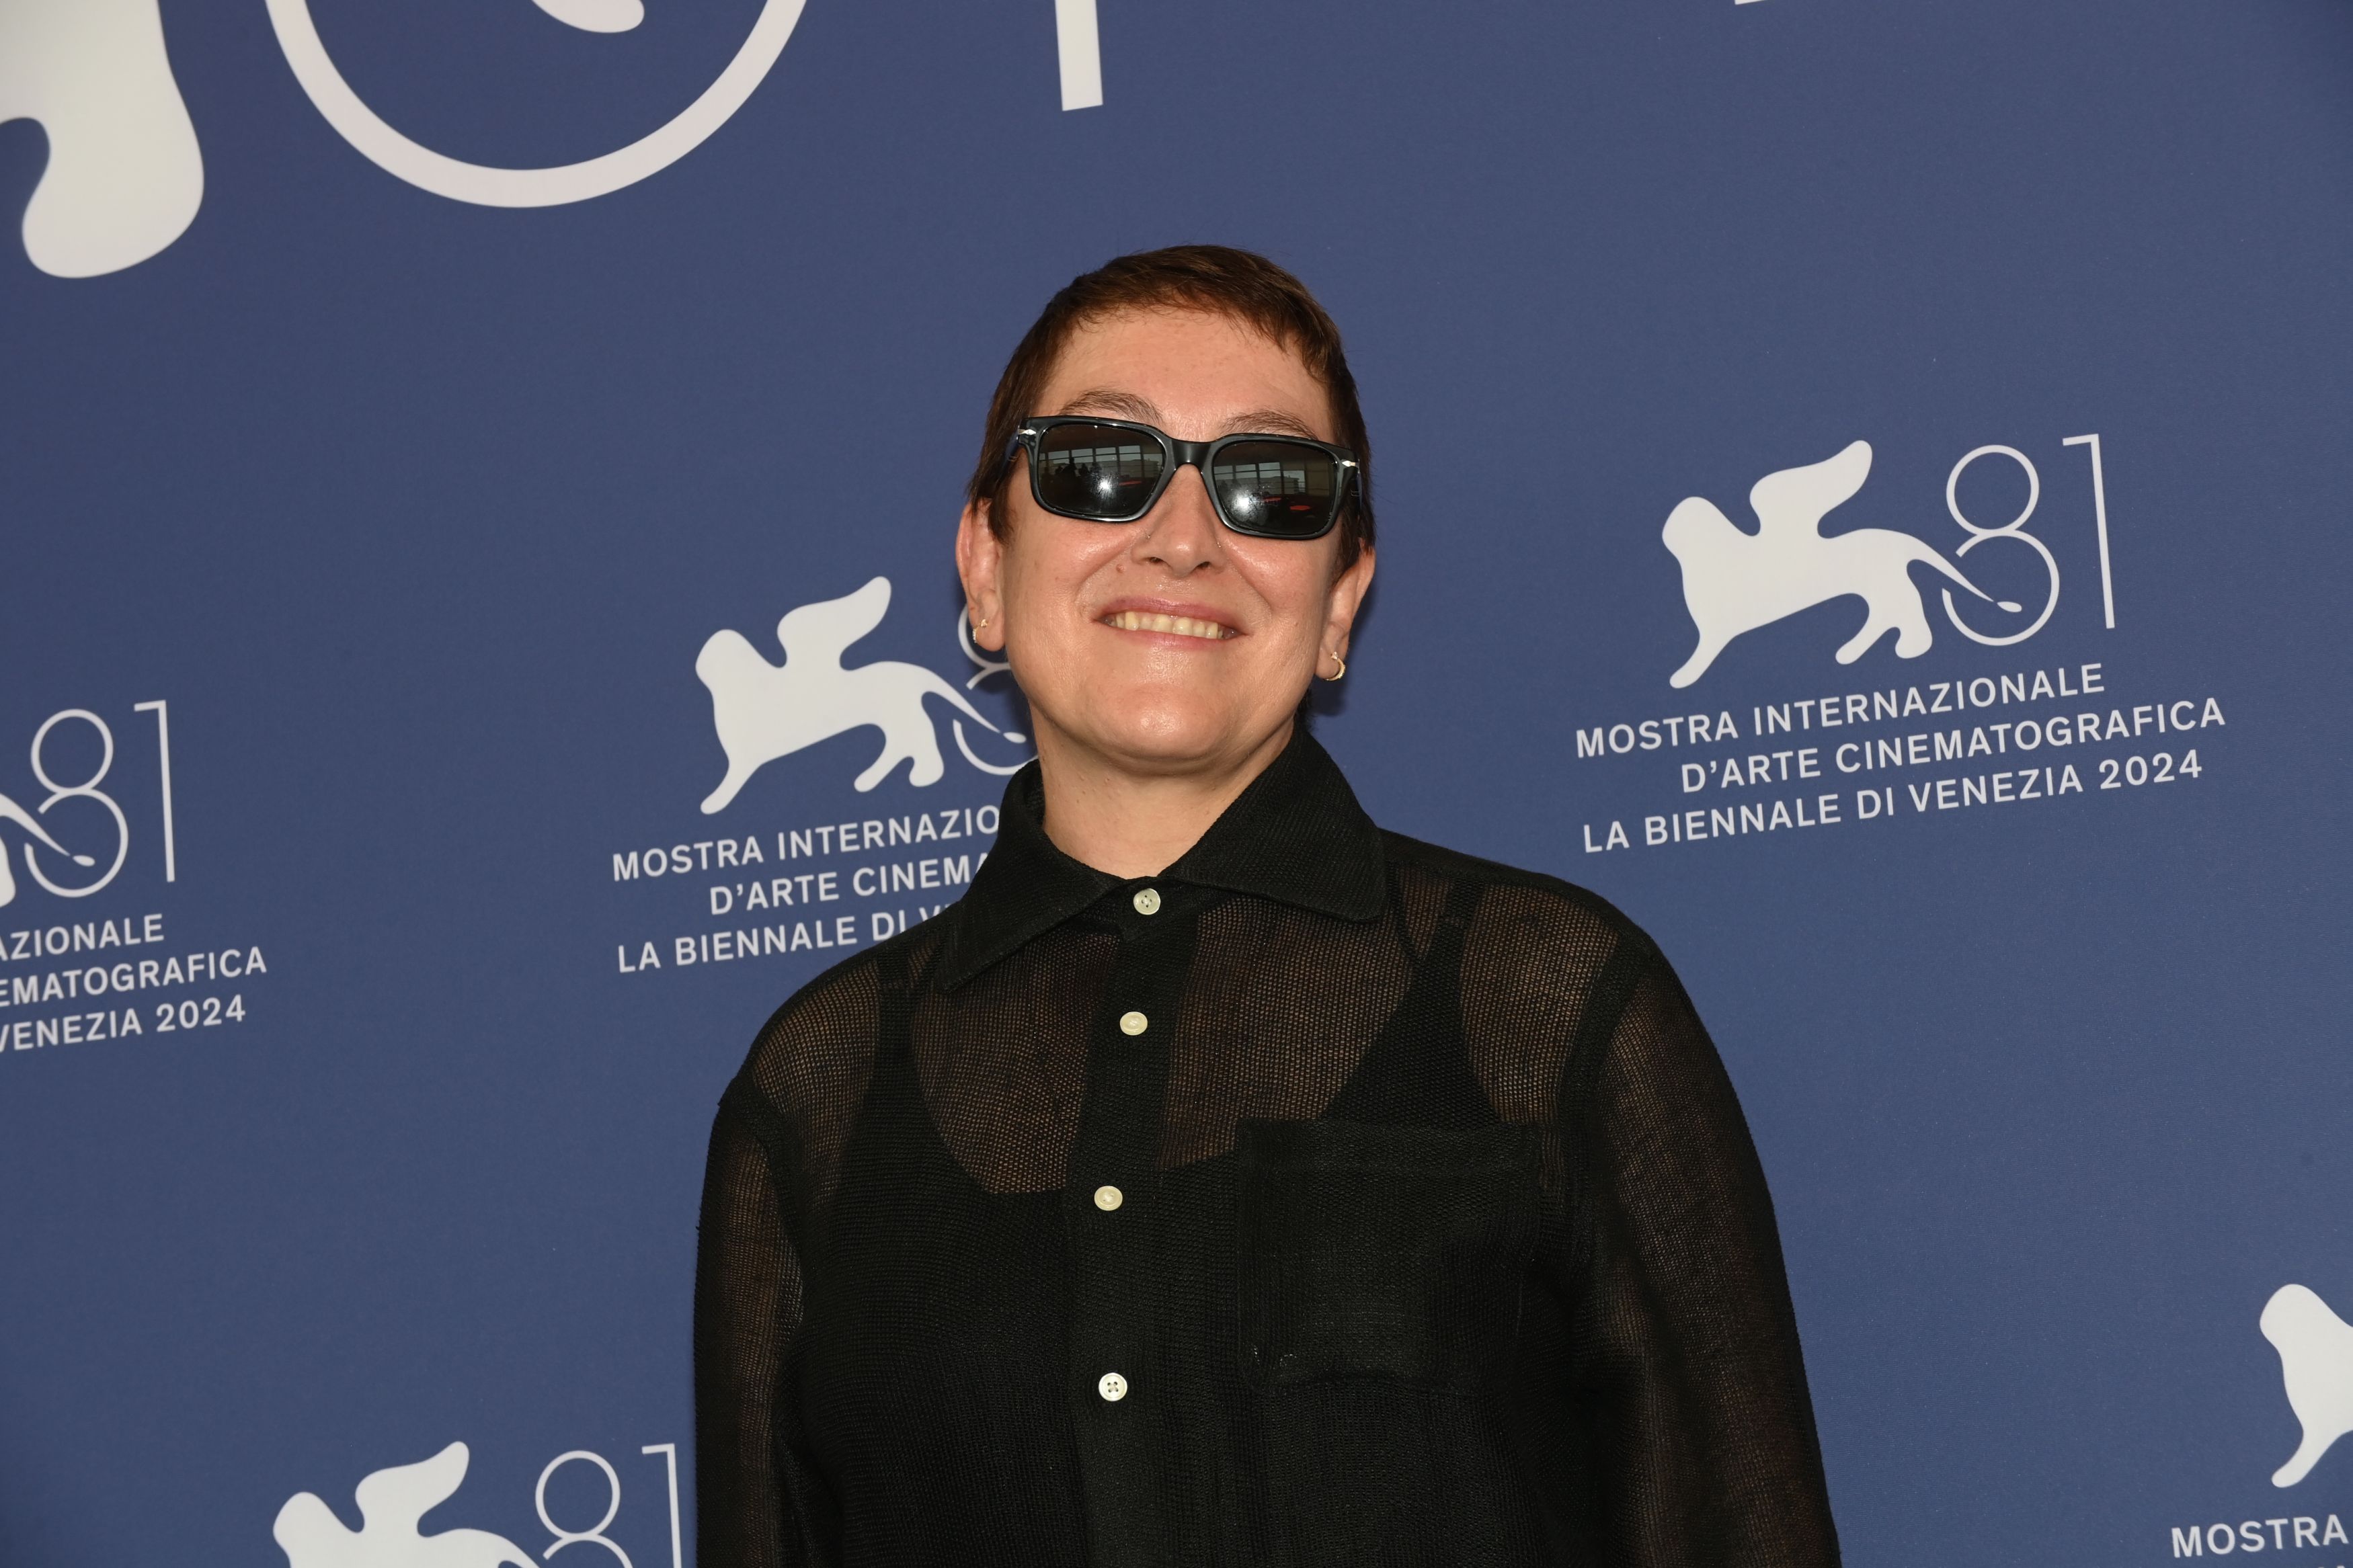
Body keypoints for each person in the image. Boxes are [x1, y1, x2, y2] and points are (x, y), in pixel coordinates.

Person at [694, 245, 1841, 1568]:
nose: (1183, 538)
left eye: (1271, 485)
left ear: (1341, 597)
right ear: (986, 568)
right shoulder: (817, 1091)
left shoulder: (1550, 1003)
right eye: (1099, 466)